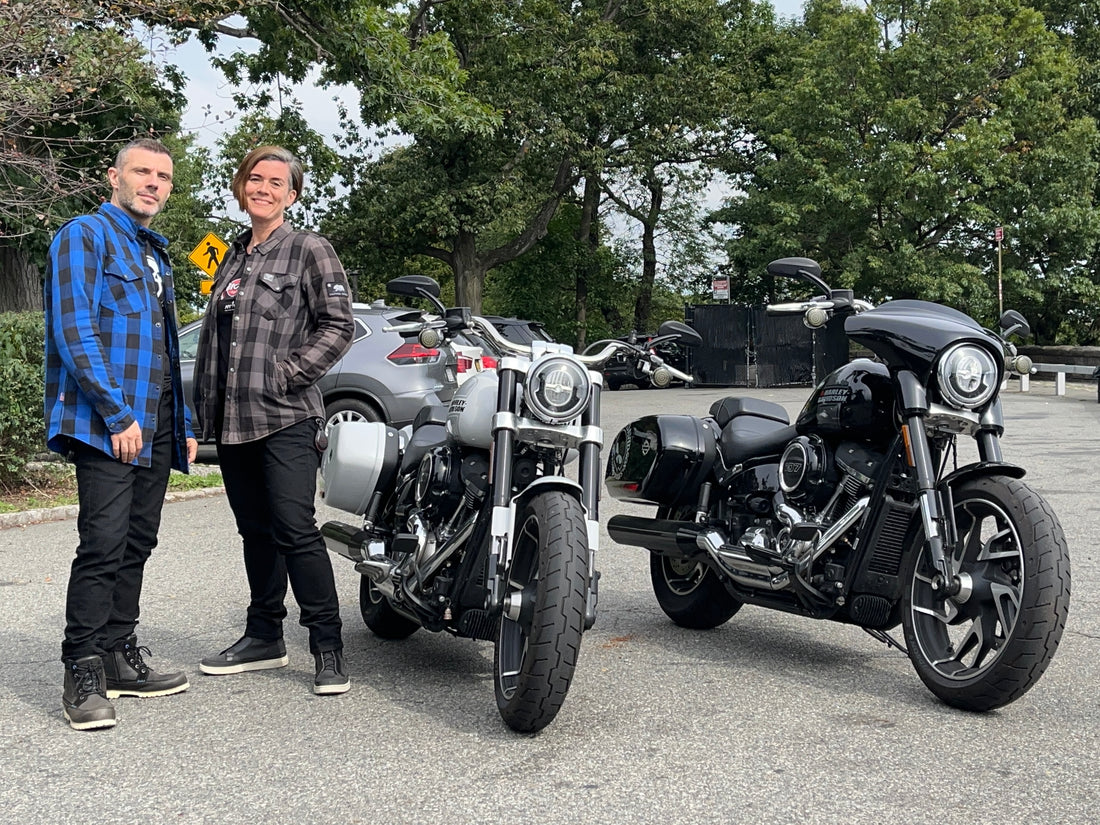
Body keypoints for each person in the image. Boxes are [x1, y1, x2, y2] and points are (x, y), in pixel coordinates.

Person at [44, 137, 198, 731]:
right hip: (107, 423)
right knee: (103, 544)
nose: (153, 183)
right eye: (142, 172)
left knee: (137, 542)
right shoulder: (84, 235)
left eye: (163, 175)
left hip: (153, 426)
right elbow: (75, 331)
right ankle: (81, 666)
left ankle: (117, 652)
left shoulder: (152, 251)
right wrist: (118, 415)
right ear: (115, 177)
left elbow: (161, 350)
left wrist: (178, 426)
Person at [192, 145, 355, 695]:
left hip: (285, 415)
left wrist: (287, 373)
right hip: (233, 423)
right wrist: (200, 420)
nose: (262, 188)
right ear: (242, 187)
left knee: (293, 528)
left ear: (292, 194)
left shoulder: (310, 248)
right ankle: (264, 635)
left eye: (275, 182)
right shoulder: (228, 257)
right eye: (254, 179)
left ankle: (328, 646)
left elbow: (339, 325)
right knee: (254, 531)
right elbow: (213, 342)